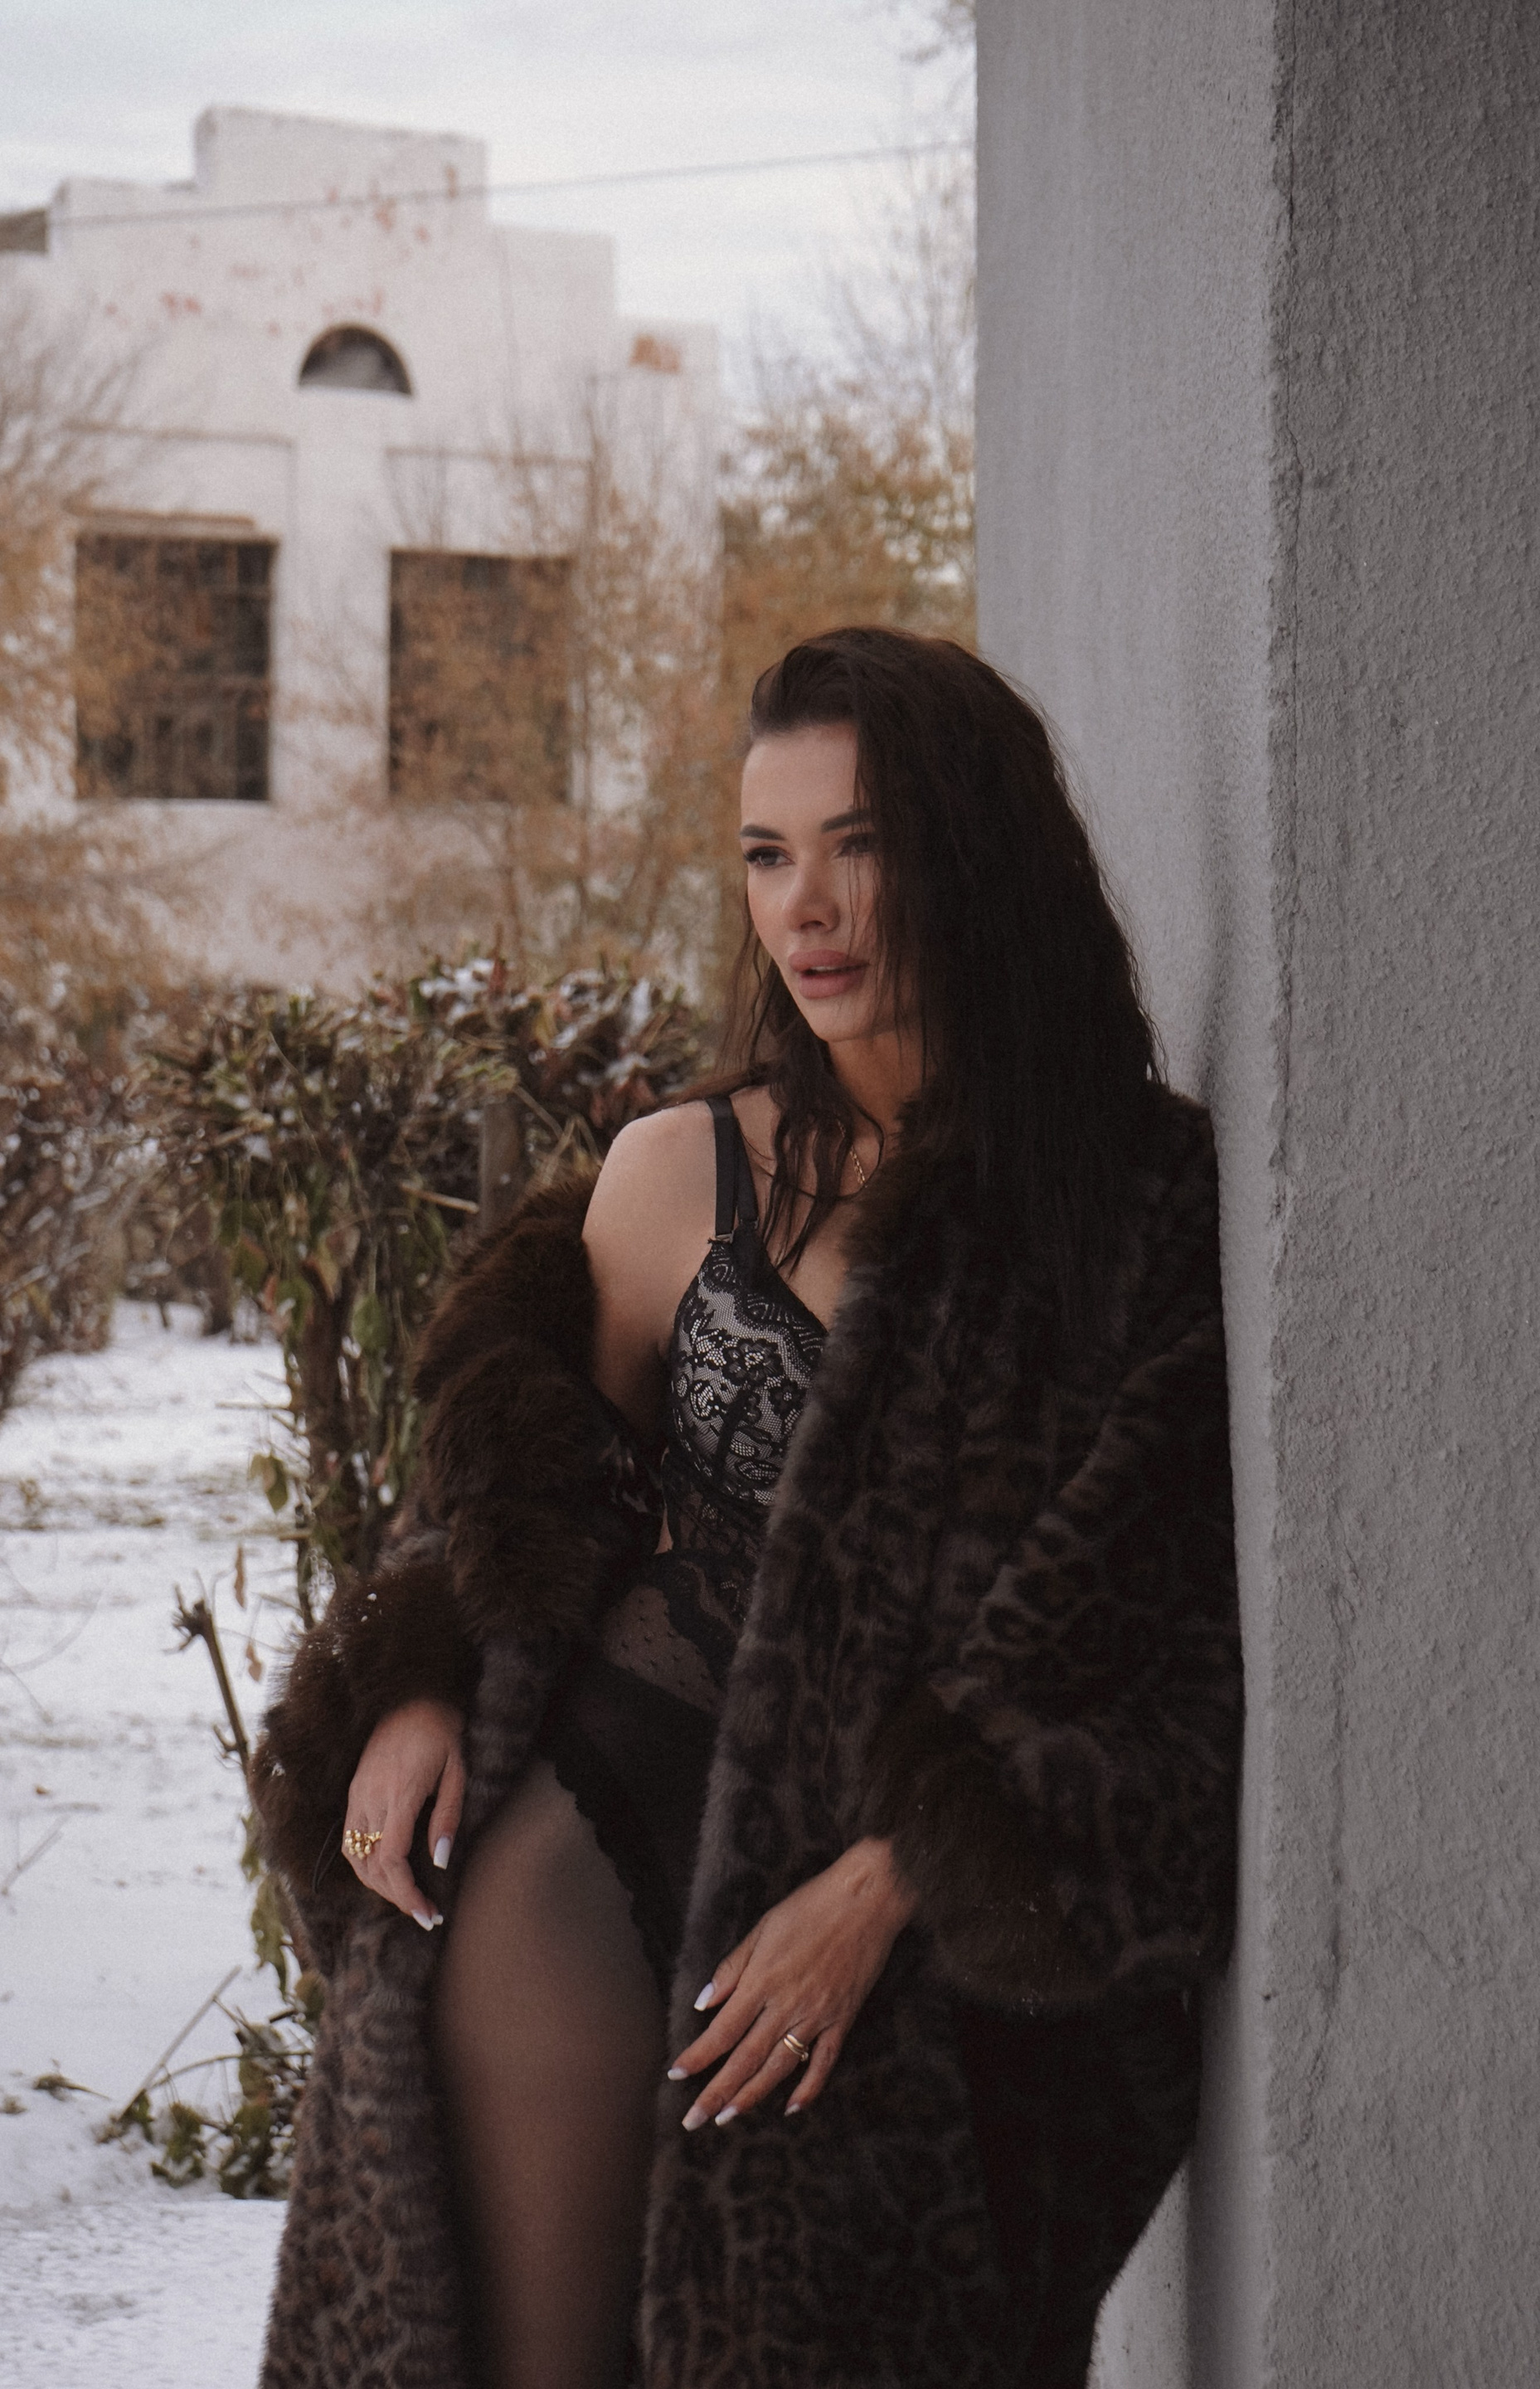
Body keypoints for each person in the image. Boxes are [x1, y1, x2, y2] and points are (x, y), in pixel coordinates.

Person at [252, 627, 1242, 2389]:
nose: (810, 910)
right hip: (600, 1829)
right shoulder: (681, 1170)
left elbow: (1136, 1625)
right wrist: (411, 1681)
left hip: (904, 1896)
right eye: (769, 856)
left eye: (862, 845)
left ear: (975, 852)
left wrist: (896, 1880)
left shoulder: (1137, 1206)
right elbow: (516, 1481)